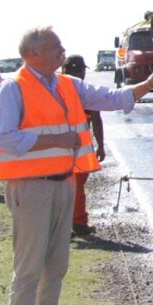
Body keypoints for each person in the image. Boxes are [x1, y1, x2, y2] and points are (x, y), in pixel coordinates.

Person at [0, 27, 153, 305]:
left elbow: (111, 99)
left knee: (55, 266)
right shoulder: (12, 88)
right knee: (28, 269)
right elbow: (5, 138)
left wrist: (150, 83)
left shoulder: (67, 84)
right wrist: (56, 140)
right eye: (55, 47)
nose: (62, 51)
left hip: (63, 184)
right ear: (32, 54)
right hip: (29, 188)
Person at [61, 55, 105, 237]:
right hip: (78, 147)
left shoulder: (53, 87)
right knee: (76, 186)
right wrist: (100, 146)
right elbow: (96, 120)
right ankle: (77, 223)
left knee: (62, 186)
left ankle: (67, 223)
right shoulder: (85, 91)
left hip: (56, 145)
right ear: (80, 71)